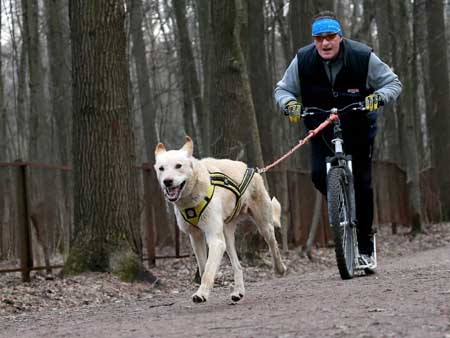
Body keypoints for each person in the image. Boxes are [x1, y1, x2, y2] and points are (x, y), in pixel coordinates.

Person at [274, 11, 402, 271]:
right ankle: (341, 203)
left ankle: (365, 246)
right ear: (314, 40)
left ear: (340, 37)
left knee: (363, 185)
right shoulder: (302, 59)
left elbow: (392, 83)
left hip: (358, 126)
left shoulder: (362, 56)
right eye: (319, 38)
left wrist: (377, 98)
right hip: (321, 128)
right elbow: (283, 89)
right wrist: (290, 105)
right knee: (319, 175)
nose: (325, 43)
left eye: (330, 37)